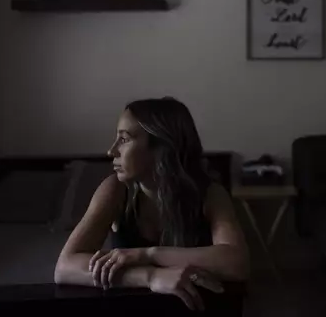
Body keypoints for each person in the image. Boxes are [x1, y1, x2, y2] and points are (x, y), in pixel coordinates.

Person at [55, 98, 250, 311]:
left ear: (161, 147)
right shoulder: (116, 190)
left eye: (124, 139)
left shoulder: (209, 193)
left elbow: (236, 263)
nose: (111, 151)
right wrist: (151, 275)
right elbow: (65, 267)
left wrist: (147, 254)